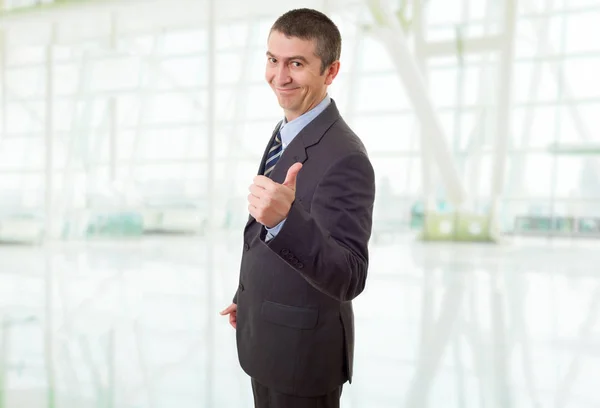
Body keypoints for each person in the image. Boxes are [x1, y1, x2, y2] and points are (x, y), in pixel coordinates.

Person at [220, 8, 375, 408]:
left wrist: (285, 221)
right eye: (273, 60)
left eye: (297, 64)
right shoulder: (289, 128)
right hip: (273, 339)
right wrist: (252, 297)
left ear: (331, 71)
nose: (280, 76)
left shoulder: (345, 156)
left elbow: (349, 275)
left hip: (302, 360)